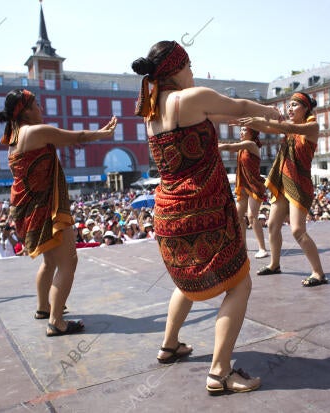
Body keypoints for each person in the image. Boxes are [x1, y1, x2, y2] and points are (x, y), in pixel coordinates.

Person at [131, 40, 279, 394]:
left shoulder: (152, 111)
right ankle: (220, 372)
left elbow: (228, 115)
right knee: (240, 282)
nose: (193, 72)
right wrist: (272, 112)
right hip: (203, 211)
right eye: (189, 66)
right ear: (176, 68)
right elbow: (239, 106)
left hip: (168, 214)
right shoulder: (191, 99)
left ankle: (170, 346)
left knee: (185, 282)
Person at [0, 88, 117, 337]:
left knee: (50, 261)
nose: (41, 108)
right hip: (45, 208)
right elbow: (78, 137)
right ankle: (56, 321)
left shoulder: (14, 137)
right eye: (37, 104)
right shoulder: (35, 131)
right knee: (68, 262)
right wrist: (104, 133)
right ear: (26, 110)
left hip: (26, 209)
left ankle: (43, 308)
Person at [240, 92, 327, 287]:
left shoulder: (311, 126)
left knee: (297, 230)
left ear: (306, 108)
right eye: (289, 105)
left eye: (295, 105)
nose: (290, 108)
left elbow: (286, 126)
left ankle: (318, 272)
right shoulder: (289, 128)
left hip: (299, 184)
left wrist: (259, 120)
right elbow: (270, 127)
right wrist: (251, 122)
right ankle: (274, 264)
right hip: (283, 182)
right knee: (272, 225)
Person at [218, 127, 269, 259]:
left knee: (252, 216)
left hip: (254, 185)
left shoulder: (251, 144)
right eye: (240, 130)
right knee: (238, 216)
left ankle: (262, 248)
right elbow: (232, 147)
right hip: (243, 185)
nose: (240, 132)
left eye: (244, 130)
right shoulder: (242, 147)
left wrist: (214, 146)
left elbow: (229, 146)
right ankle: (243, 246)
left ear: (252, 133)